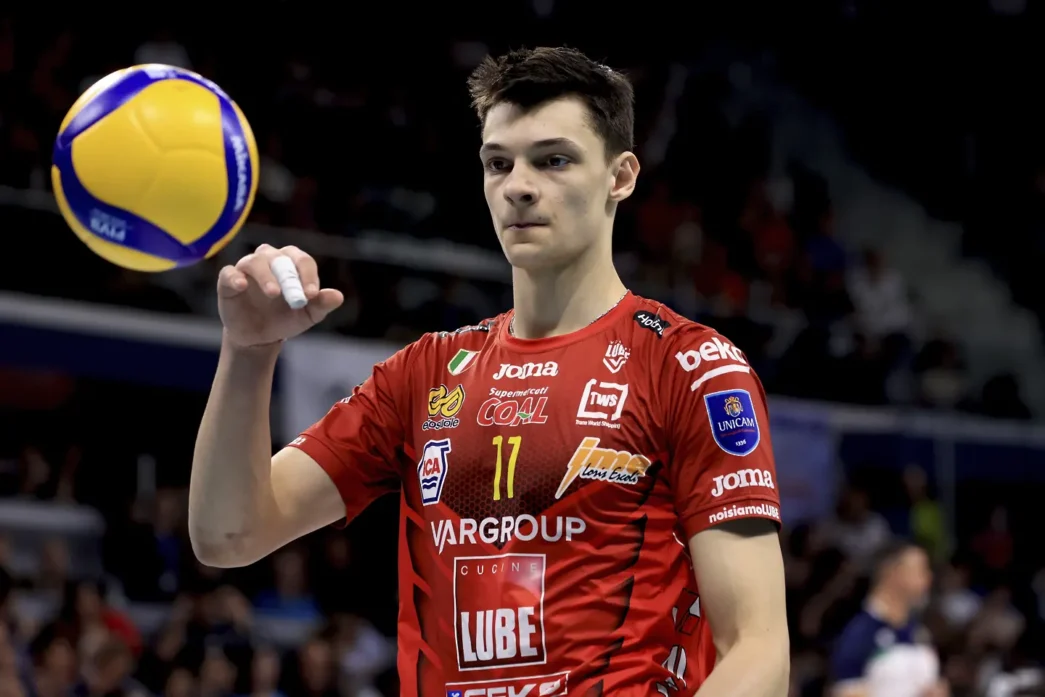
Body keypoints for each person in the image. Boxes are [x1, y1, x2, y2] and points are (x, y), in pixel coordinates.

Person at [189, 46, 789, 696]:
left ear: (620, 177)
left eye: (553, 160)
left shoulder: (690, 367)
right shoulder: (423, 374)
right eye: (499, 163)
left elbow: (757, 650)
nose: (518, 186)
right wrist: (248, 351)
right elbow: (229, 534)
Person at [830, 541, 945, 697]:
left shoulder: (921, 634)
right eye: (920, 570)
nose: (928, 578)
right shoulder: (859, 634)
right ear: (892, 572)